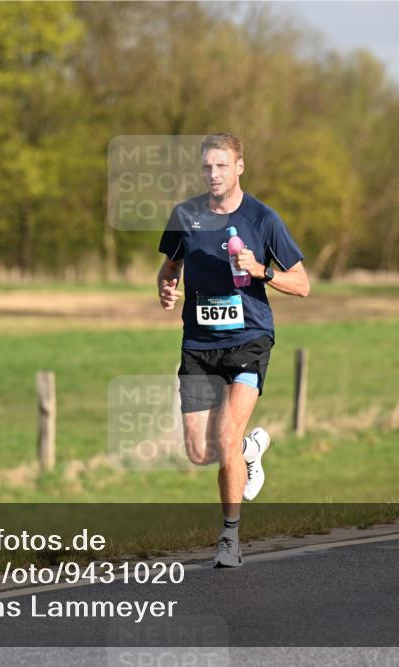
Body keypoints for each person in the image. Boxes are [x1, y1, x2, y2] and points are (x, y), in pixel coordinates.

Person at [157, 133, 310, 567]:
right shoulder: (185, 215)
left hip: (249, 338)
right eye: (207, 166)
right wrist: (167, 289)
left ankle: (229, 539)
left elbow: (302, 283)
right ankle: (250, 451)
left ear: (239, 167)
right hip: (198, 344)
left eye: (222, 166)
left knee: (225, 438)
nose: (214, 174)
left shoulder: (263, 219)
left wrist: (262, 271)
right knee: (200, 452)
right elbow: (169, 267)